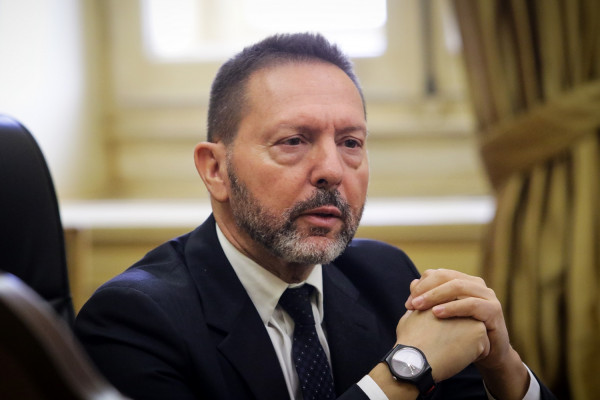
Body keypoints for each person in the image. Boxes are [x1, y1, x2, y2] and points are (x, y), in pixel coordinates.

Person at [74, 33, 556, 400]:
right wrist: (402, 372)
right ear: (215, 169)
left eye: (351, 143)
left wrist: (505, 368)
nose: (332, 170)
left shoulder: (388, 278)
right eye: (293, 141)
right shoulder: (133, 320)